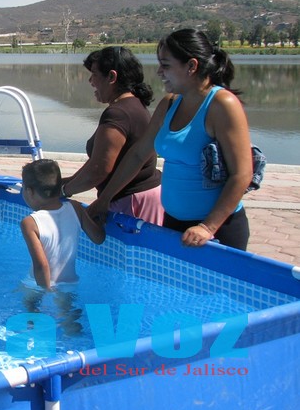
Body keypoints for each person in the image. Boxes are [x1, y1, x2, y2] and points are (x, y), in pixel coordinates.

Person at [89, 29, 253, 250]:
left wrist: (207, 227)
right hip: (174, 223)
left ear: (191, 66)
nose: (159, 72)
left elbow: (242, 174)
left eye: (165, 65)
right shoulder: (169, 103)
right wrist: (105, 199)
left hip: (215, 230)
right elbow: (138, 154)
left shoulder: (222, 104)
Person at [61, 46, 164, 225]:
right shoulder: (134, 104)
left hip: (132, 204)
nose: (90, 81)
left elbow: (99, 169)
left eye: (94, 74)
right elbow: (99, 160)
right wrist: (69, 181)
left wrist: (62, 191)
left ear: (111, 77)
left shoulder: (118, 114)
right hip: (142, 197)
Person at [20, 159, 105, 290]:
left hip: (38, 284)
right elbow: (98, 239)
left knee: (23, 299)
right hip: (70, 283)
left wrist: (46, 290)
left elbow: (41, 265)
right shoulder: (76, 208)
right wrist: (100, 221)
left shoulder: (30, 223)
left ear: (29, 192)